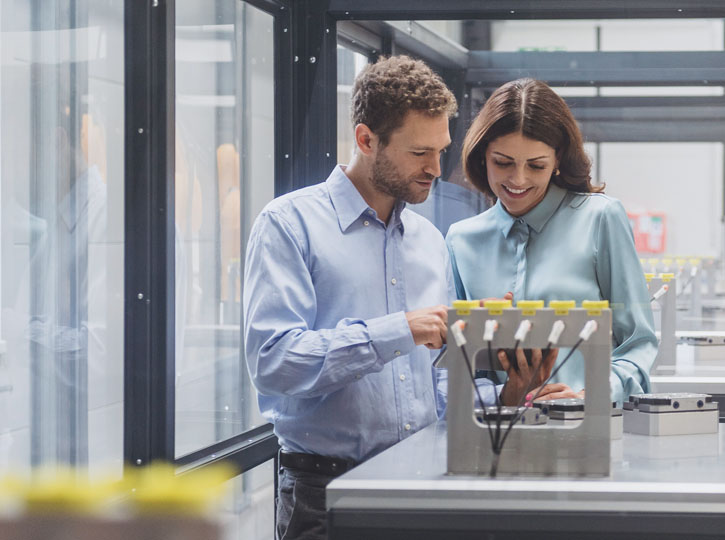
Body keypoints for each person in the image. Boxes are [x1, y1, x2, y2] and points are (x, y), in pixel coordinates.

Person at [243, 55, 457, 540]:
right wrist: (398, 330)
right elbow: (274, 362)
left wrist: (505, 390)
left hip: (422, 488)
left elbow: (435, 383)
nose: (436, 169)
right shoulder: (288, 225)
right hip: (325, 495)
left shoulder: (429, 241)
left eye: (440, 150)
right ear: (366, 140)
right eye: (420, 152)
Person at [445, 78, 658, 407]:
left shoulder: (602, 218)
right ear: (481, 155)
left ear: (557, 159)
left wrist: (588, 398)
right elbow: (456, 364)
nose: (518, 180)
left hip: (587, 431)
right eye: (503, 163)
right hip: (494, 436)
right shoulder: (461, 240)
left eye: (536, 165)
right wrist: (505, 395)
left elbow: (638, 344)